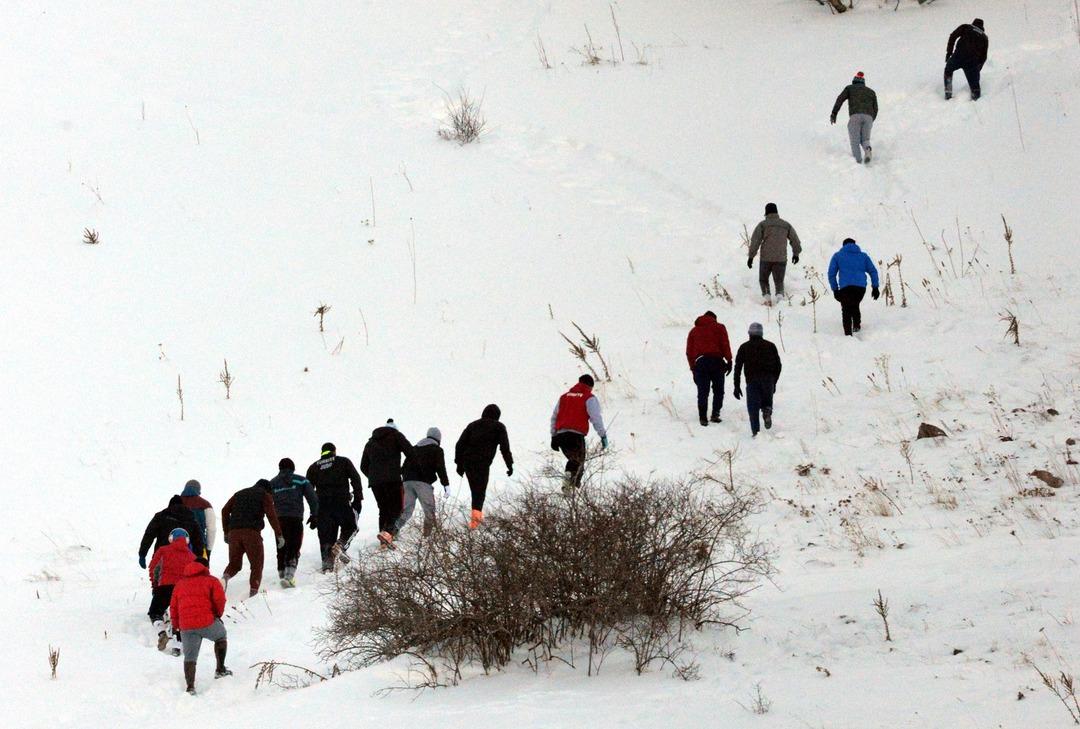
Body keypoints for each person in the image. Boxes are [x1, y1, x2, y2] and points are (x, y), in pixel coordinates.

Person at [170, 560, 230, 694]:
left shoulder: (180, 584)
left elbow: (173, 607)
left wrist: (176, 627)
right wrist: (217, 616)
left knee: (190, 656)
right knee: (221, 635)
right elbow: (220, 600)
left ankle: (190, 687)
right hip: (207, 622)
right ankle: (220, 670)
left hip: (186, 626)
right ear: (205, 567)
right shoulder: (211, 581)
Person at [305, 442, 363, 572]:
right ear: (334, 451)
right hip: (341, 502)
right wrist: (358, 497)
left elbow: (308, 491)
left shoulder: (313, 467)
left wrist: (313, 513)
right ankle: (340, 545)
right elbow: (355, 478)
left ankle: (327, 564)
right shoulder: (343, 461)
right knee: (351, 527)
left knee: (326, 536)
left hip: (323, 507)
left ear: (322, 452)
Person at [220, 479, 283, 597]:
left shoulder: (239, 494)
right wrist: (279, 534)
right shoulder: (265, 495)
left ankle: (224, 579)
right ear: (268, 490)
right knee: (256, 565)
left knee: (234, 564)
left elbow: (224, 510)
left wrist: (226, 532)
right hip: (252, 534)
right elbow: (271, 515)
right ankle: (253, 593)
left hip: (234, 533)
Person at [455, 404, 513, 529]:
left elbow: (459, 445)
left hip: (468, 462)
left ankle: (475, 521)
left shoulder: (472, 425)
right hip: (482, 463)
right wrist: (509, 464)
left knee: (475, 491)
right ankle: (475, 523)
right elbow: (505, 448)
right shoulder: (499, 427)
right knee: (479, 493)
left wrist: (459, 464)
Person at [361, 419, 415, 548]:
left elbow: (363, 466)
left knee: (383, 509)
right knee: (397, 507)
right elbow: (411, 453)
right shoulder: (396, 435)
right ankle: (388, 533)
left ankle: (383, 540)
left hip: (375, 483)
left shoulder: (370, 442)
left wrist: (374, 477)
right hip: (392, 479)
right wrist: (402, 470)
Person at [549, 375, 608, 490]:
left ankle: (572, 486)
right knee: (577, 461)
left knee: (574, 460)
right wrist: (603, 435)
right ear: (590, 386)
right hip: (575, 435)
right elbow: (596, 418)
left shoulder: (564, 397)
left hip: (561, 435)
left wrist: (553, 436)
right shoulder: (589, 397)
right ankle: (571, 486)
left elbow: (554, 417)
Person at [268, 458, 318, 588]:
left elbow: (266, 501)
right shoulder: (301, 480)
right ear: (293, 468)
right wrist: (314, 515)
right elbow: (312, 498)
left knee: (281, 547)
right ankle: (289, 577)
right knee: (294, 546)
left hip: (279, 520)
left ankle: (282, 574)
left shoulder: (272, 483)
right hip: (295, 518)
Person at [395, 427, 450, 537]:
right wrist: (446, 484)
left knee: (406, 510)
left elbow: (403, 467)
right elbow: (441, 468)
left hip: (406, 481)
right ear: (438, 439)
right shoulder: (437, 450)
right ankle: (428, 536)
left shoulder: (414, 448)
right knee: (429, 509)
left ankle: (392, 531)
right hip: (423, 483)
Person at [147, 527, 195, 653]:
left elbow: (153, 568)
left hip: (164, 587)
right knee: (178, 617)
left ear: (171, 538)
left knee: (155, 612)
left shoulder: (163, 550)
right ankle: (177, 646)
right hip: (183, 590)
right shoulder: (192, 556)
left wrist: (155, 585)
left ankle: (161, 631)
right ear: (187, 540)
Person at [733, 323, 783, 437]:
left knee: (753, 408)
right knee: (766, 403)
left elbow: (738, 367)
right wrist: (773, 381)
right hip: (768, 380)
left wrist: (736, 386)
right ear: (761, 333)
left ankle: (756, 433)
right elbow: (778, 365)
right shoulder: (771, 346)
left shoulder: (744, 347)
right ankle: (767, 412)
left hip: (752, 380)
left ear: (749, 334)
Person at [686, 311, 733, 426]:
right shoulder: (720, 327)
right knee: (718, 390)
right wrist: (729, 360)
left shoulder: (693, 331)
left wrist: (693, 368)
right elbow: (725, 344)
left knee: (703, 391)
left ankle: (703, 417)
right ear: (714, 318)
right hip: (717, 361)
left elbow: (689, 352)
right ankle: (715, 414)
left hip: (701, 363)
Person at [747, 203, 802, 302]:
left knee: (763, 280)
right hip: (781, 258)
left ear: (766, 213)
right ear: (776, 212)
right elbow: (795, 240)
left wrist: (751, 257)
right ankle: (780, 297)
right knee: (779, 281)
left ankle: (767, 298)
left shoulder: (762, 225)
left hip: (766, 259)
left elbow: (755, 241)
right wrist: (796, 253)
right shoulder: (786, 225)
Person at [828, 237, 880, 336]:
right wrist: (875, 287)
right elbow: (873, 271)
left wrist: (835, 289)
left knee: (846, 309)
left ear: (844, 245)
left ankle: (848, 335)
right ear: (855, 245)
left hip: (845, 288)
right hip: (860, 288)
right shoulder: (863, 256)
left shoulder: (837, 256)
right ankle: (856, 325)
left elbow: (831, 273)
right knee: (855, 304)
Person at [139, 495, 205, 570]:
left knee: (160, 579)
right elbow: (198, 541)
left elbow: (149, 535)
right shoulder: (192, 519)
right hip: (184, 560)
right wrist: (197, 559)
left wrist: (142, 554)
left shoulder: (161, 516)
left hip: (162, 558)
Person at [830, 71, 878, 164]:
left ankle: (858, 163)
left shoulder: (849, 88)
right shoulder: (871, 92)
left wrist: (834, 113)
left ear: (854, 81)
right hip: (868, 118)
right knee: (865, 139)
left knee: (855, 141)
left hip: (855, 116)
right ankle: (867, 150)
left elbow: (840, 99)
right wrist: (871, 119)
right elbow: (875, 108)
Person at [945, 18, 988, 100]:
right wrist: (978, 68)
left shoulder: (966, 27)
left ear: (973, 23)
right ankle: (976, 100)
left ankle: (948, 93)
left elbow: (953, 36)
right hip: (972, 62)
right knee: (975, 85)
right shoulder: (984, 37)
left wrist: (949, 52)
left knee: (948, 70)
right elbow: (984, 56)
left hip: (958, 56)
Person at [180, 480, 216, 565]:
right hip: (199, 545)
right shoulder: (205, 504)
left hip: (176, 545)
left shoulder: (175, 503)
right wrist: (208, 549)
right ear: (198, 490)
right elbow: (211, 529)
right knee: (200, 573)